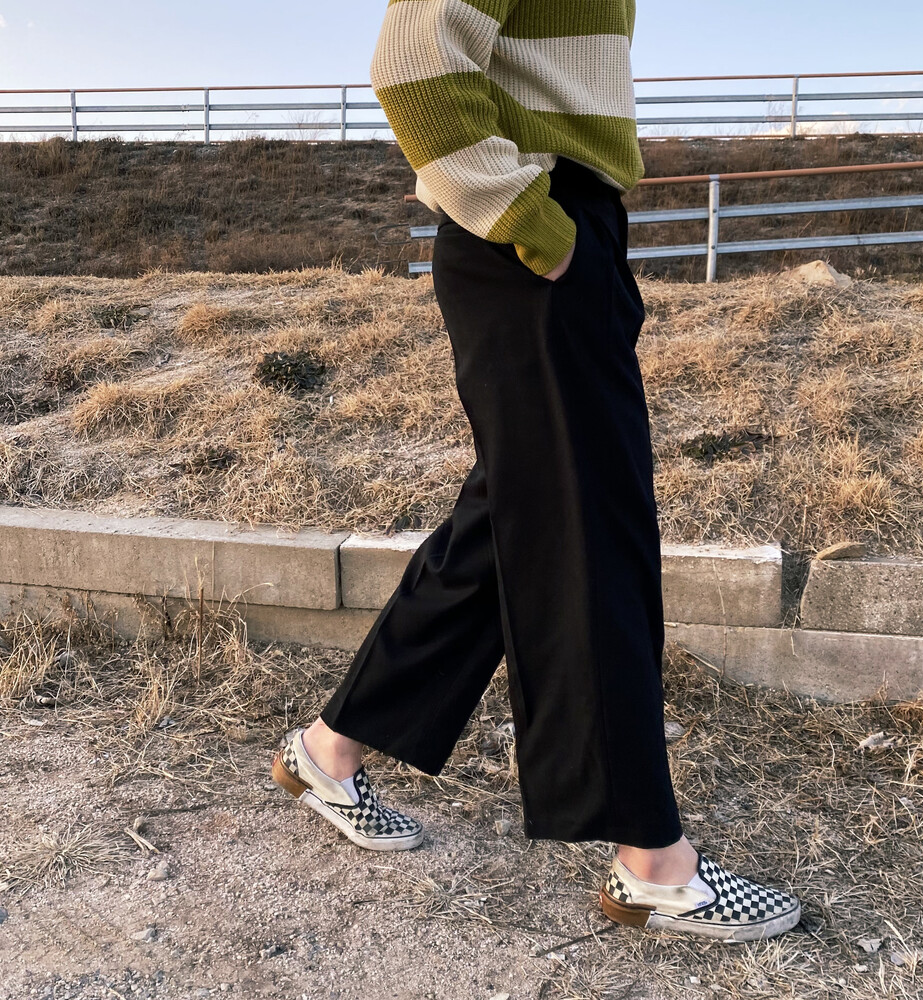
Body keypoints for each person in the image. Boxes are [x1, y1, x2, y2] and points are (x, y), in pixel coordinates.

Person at [271, 0, 801, 941]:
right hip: (529, 232)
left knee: (515, 519)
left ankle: (328, 748)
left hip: (563, 227)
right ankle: (653, 864)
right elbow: (412, 64)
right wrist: (530, 221)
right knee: (588, 533)